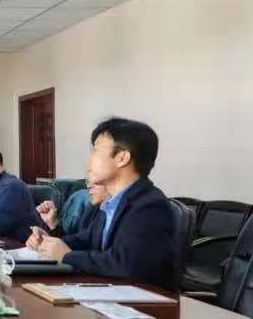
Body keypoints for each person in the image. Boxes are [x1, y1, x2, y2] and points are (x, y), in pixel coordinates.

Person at [29, 117, 179, 290]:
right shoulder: (112, 203)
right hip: (114, 295)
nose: (88, 161)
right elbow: (85, 240)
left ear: (122, 158)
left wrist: (67, 256)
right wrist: (48, 242)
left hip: (145, 302)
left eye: (95, 151)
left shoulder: (149, 205)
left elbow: (125, 264)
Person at [35, 182, 109, 238]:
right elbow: (74, 244)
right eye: (88, 180)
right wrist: (52, 222)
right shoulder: (91, 203)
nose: (88, 185)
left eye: (96, 179)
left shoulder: (88, 200)